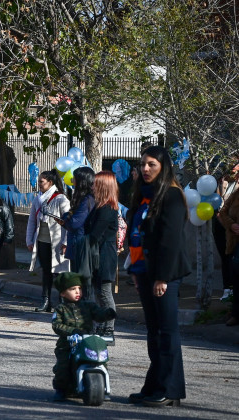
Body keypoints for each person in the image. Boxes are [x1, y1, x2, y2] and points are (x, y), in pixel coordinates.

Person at [126, 145, 188, 407]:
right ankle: (153, 385)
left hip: (164, 275)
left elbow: (170, 242)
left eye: (151, 164)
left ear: (163, 166)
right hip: (144, 271)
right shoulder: (143, 196)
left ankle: (169, 389)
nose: (146, 169)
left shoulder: (171, 196)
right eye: (142, 164)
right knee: (154, 332)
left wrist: (161, 278)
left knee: (166, 332)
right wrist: (136, 270)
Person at [51, 272, 117, 402]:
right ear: (62, 293)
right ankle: (61, 389)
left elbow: (98, 315)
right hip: (67, 344)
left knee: (100, 360)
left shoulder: (88, 305)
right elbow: (57, 325)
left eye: (79, 288)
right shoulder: (61, 309)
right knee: (63, 366)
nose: (77, 292)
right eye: (72, 289)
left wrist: (107, 314)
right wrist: (72, 331)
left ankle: (102, 386)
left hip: (86, 341)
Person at [26, 170, 70, 312]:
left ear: (50, 182)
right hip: (42, 240)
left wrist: (65, 242)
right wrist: (29, 240)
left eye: (41, 182)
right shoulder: (38, 198)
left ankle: (62, 302)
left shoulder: (61, 199)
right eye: (39, 181)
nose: (39, 184)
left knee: (58, 272)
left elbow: (68, 222)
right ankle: (45, 301)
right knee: (46, 271)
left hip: (57, 241)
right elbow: (32, 220)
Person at [86, 171, 120, 343]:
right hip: (97, 255)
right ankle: (101, 325)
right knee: (99, 292)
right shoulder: (99, 206)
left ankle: (109, 329)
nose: (92, 186)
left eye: (95, 183)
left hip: (105, 255)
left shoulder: (107, 209)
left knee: (105, 293)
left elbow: (94, 235)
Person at [59, 166, 96, 299]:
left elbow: (74, 223)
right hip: (76, 244)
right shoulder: (81, 199)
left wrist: (66, 219)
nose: (72, 181)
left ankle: (88, 313)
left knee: (83, 284)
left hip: (81, 246)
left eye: (75, 178)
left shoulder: (88, 200)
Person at [218, 182, 239, 326]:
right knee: (236, 277)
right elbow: (223, 212)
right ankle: (236, 314)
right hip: (236, 242)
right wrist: (231, 225)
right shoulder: (236, 194)